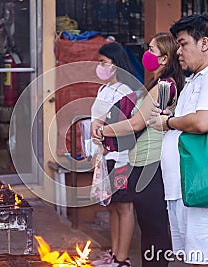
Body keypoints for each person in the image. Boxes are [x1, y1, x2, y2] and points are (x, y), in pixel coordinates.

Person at [148, 13, 208, 266]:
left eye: (182, 43)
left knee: (204, 261)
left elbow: (203, 122)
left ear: (204, 43)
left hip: (203, 186)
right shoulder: (197, 78)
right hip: (187, 187)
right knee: (191, 259)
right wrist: (174, 118)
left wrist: (168, 122)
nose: (178, 51)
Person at [93, 32, 185, 267]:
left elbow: (137, 123)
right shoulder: (155, 84)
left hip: (153, 164)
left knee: (154, 229)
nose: (147, 54)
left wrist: (104, 131)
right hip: (143, 162)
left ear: (164, 59)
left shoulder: (166, 86)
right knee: (150, 227)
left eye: (152, 50)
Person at [90, 42, 136, 267]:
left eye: (103, 62)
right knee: (113, 206)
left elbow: (126, 126)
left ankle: (122, 258)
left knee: (124, 206)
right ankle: (114, 252)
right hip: (105, 156)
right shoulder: (104, 89)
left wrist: (101, 130)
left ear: (116, 65)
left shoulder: (125, 93)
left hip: (121, 158)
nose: (99, 66)